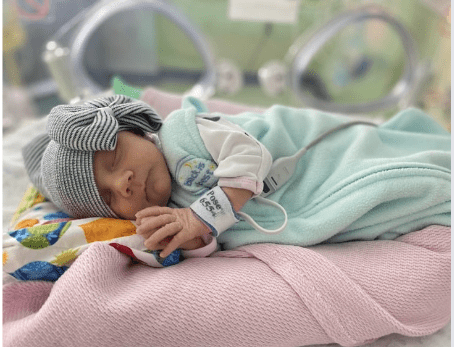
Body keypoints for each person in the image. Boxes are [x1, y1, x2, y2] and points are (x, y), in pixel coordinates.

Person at [23, 94, 451, 260]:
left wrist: (203, 215)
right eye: (108, 197)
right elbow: (210, 243)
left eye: (115, 157)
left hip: (318, 159)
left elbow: (249, 151)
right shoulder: (170, 210)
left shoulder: (183, 133)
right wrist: (191, 237)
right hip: (288, 211)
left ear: (135, 129)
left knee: (393, 170)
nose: (124, 183)